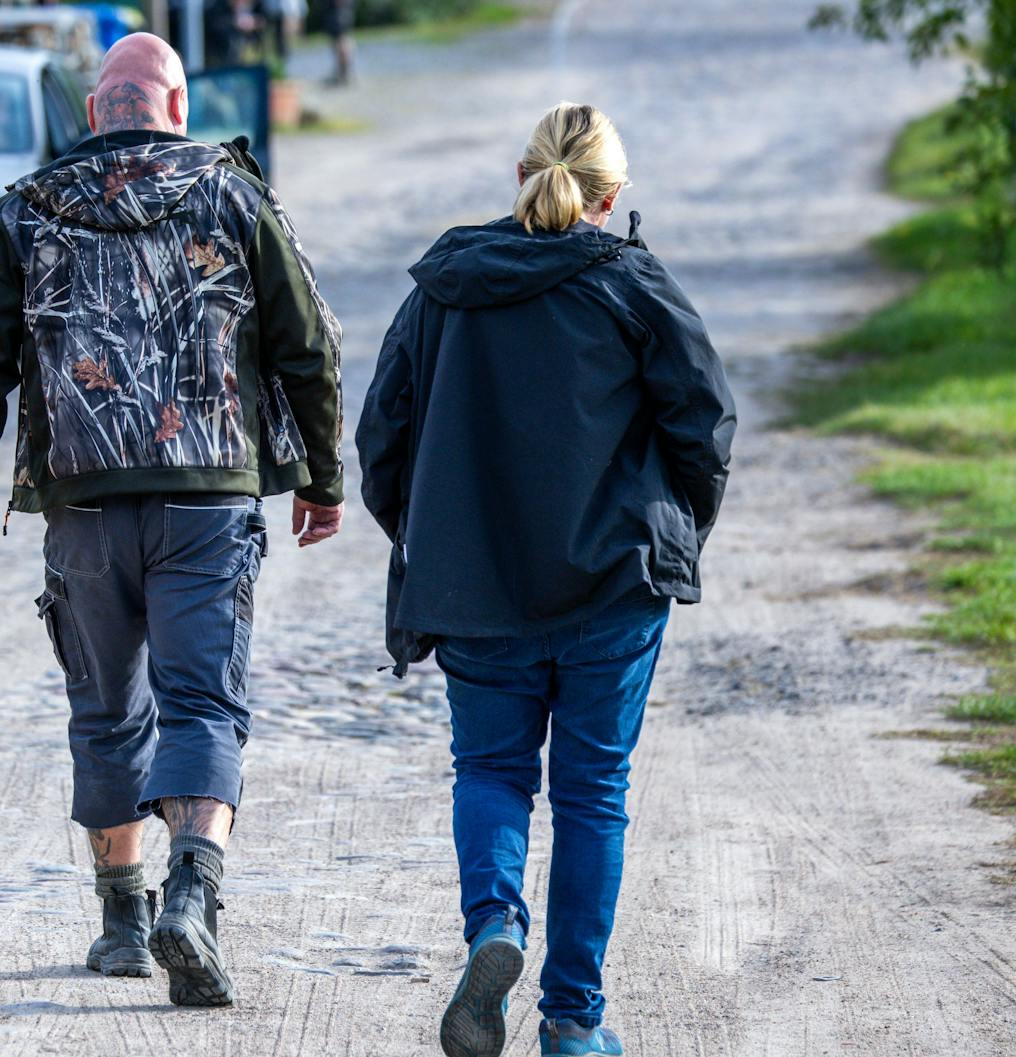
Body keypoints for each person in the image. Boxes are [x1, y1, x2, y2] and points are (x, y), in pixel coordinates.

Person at [0, 32, 344, 1009]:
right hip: (207, 497)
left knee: (105, 709)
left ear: (94, 112)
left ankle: (122, 924)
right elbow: (308, 346)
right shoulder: (234, 195)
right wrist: (323, 478)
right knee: (202, 705)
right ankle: (191, 896)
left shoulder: (25, 210)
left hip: (80, 503)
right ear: (178, 108)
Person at [356, 102, 735, 1057]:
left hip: (477, 591)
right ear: (613, 194)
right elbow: (705, 425)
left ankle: (495, 924)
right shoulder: (633, 283)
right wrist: (677, 529)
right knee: (592, 792)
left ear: (522, 176)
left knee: (490, 771)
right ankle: (572, 1021)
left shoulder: (446, 287)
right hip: (614, 587)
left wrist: (434, 536)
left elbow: (381, 436)